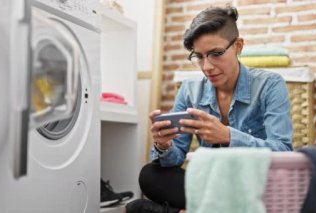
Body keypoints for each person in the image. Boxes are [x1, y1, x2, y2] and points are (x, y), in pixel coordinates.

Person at [124, 5, 293, 213]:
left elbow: (284, 152)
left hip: (254, 185)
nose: (207, 67)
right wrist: (164, 145)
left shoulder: (270, 85)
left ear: (238, 46)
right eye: (199, 56)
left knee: (138, 209)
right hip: (212, 183)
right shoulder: (190, 90)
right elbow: (176, 157)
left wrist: (228, 136)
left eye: (216, 54)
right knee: (150, 175)